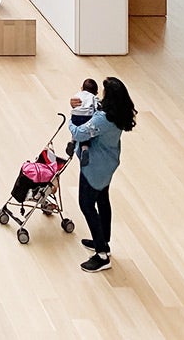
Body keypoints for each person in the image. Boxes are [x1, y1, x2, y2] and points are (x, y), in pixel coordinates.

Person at [70, 76, 137, 272]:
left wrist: (72, 115)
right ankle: (103, 238)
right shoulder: (118, 113)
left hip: (94, 167)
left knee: (86, 204)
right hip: (108, 164)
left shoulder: (103, 119)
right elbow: (95, 104)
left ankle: (101, 254)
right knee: (102, 200)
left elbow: (80, 133)